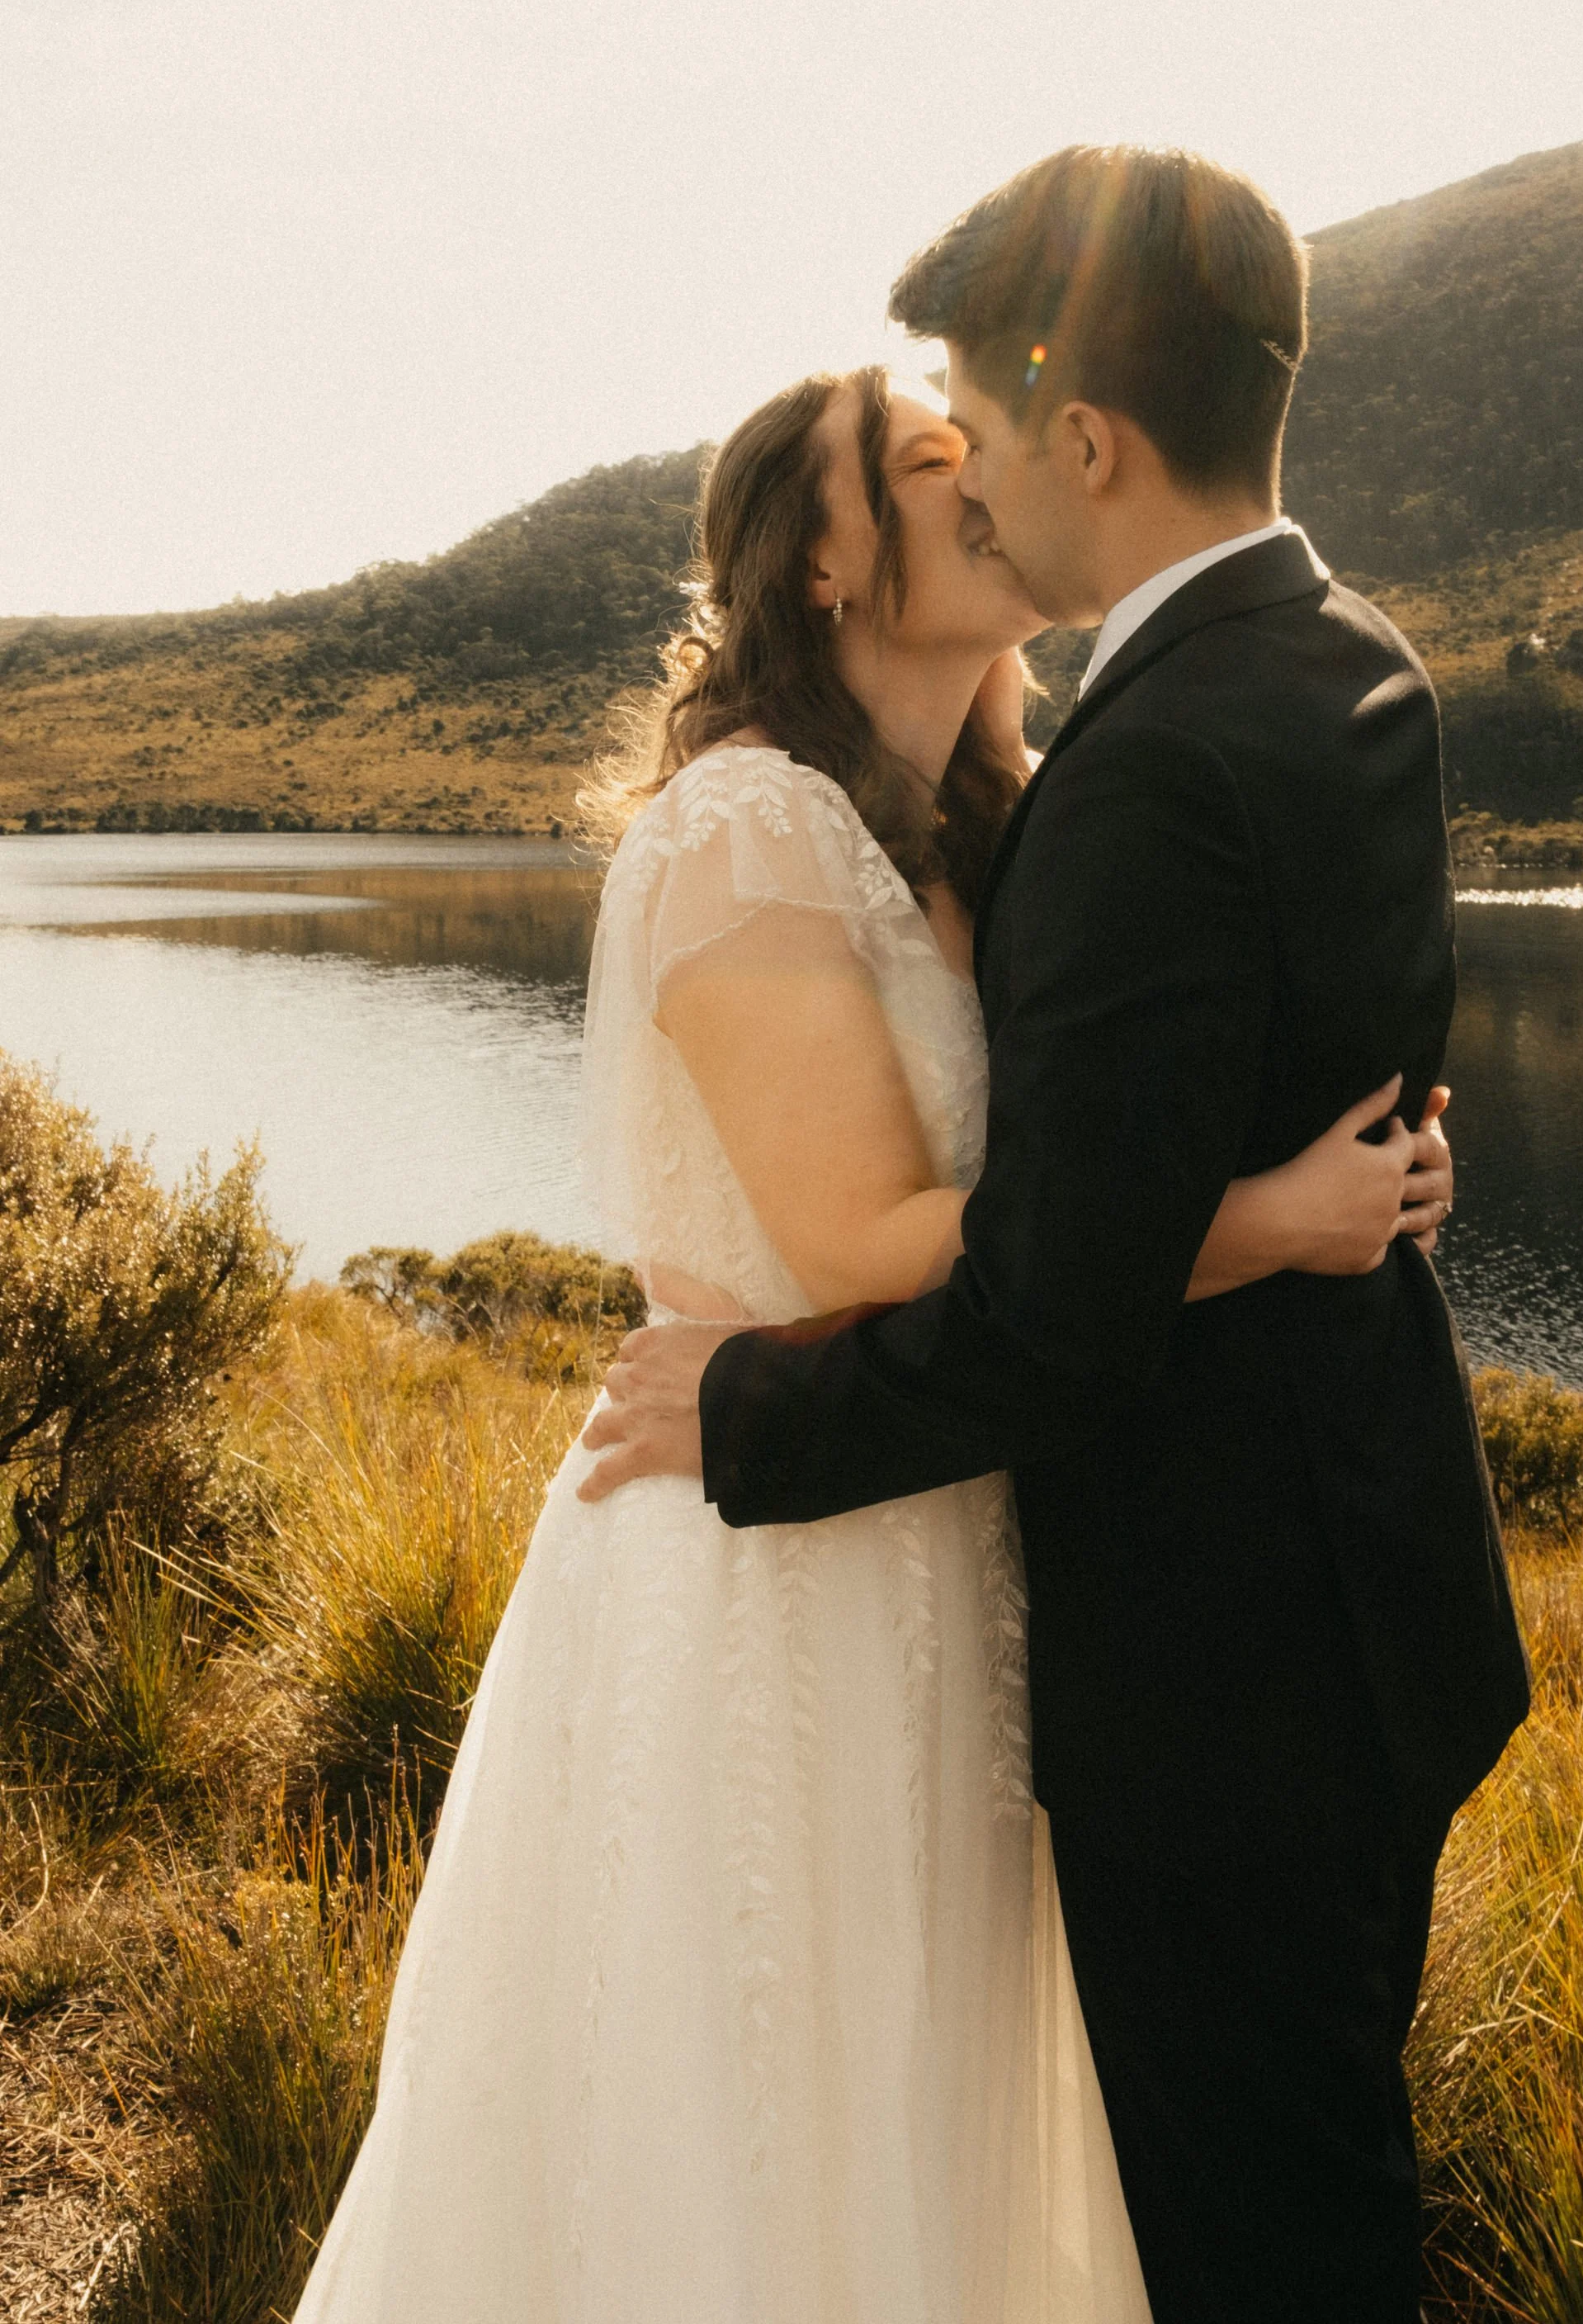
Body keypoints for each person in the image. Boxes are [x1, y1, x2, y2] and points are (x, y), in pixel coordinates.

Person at [293, 351, 1457, 2324]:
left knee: (936, 2102)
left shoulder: (985, 826)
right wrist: (1267, 1226)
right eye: (926, 460)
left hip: (954, 1547)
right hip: (771, 1564)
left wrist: (1372, 1139)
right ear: (823, 563)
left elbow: (1096, 1149)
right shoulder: (743, 830)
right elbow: (868, 1240)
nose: (980, 472)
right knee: (763, 2103)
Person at [579, 148, 1531, 2324]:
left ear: (1084, 440)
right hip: (1349, 1596)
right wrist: (1310, 1205)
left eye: (983, 435)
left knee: (1258, 2242)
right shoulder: (1348, 655)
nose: (977, 482)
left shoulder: (1124, 777)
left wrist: (748, 1417)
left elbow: (1056, 1304)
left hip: (1224, 1679)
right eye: (923, 461)